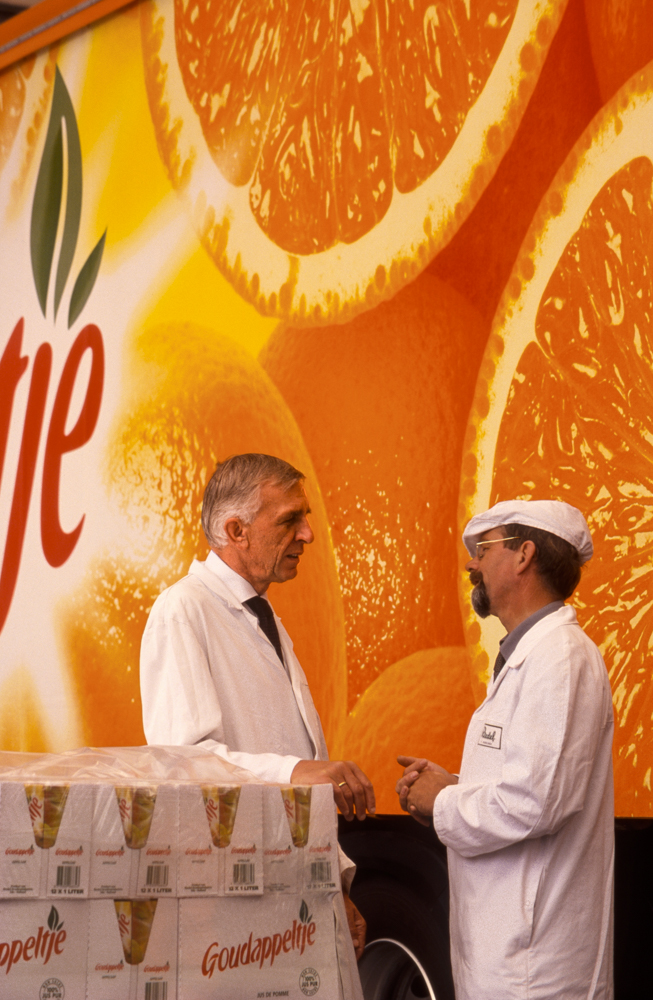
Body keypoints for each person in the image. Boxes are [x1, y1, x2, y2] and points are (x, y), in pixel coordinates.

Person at [140, 453, 373, 999]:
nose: (308, 534)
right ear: (235, 530)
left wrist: (334, 882)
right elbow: (185, 763)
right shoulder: (183, 611)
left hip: (287, 893)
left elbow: (294, 762)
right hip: (229, 906)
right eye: (290, 519)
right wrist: (299, 770)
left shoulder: (264, 618)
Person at [396, 499, 614, 1000]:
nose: (471, 563)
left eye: (483, 549)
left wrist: (443, 802)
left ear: (524, 556)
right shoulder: (532, 658)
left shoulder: (561, 658)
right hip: (509, 964)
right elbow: (530, 783)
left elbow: (536, 803)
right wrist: (454, 785)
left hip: (535, 973)